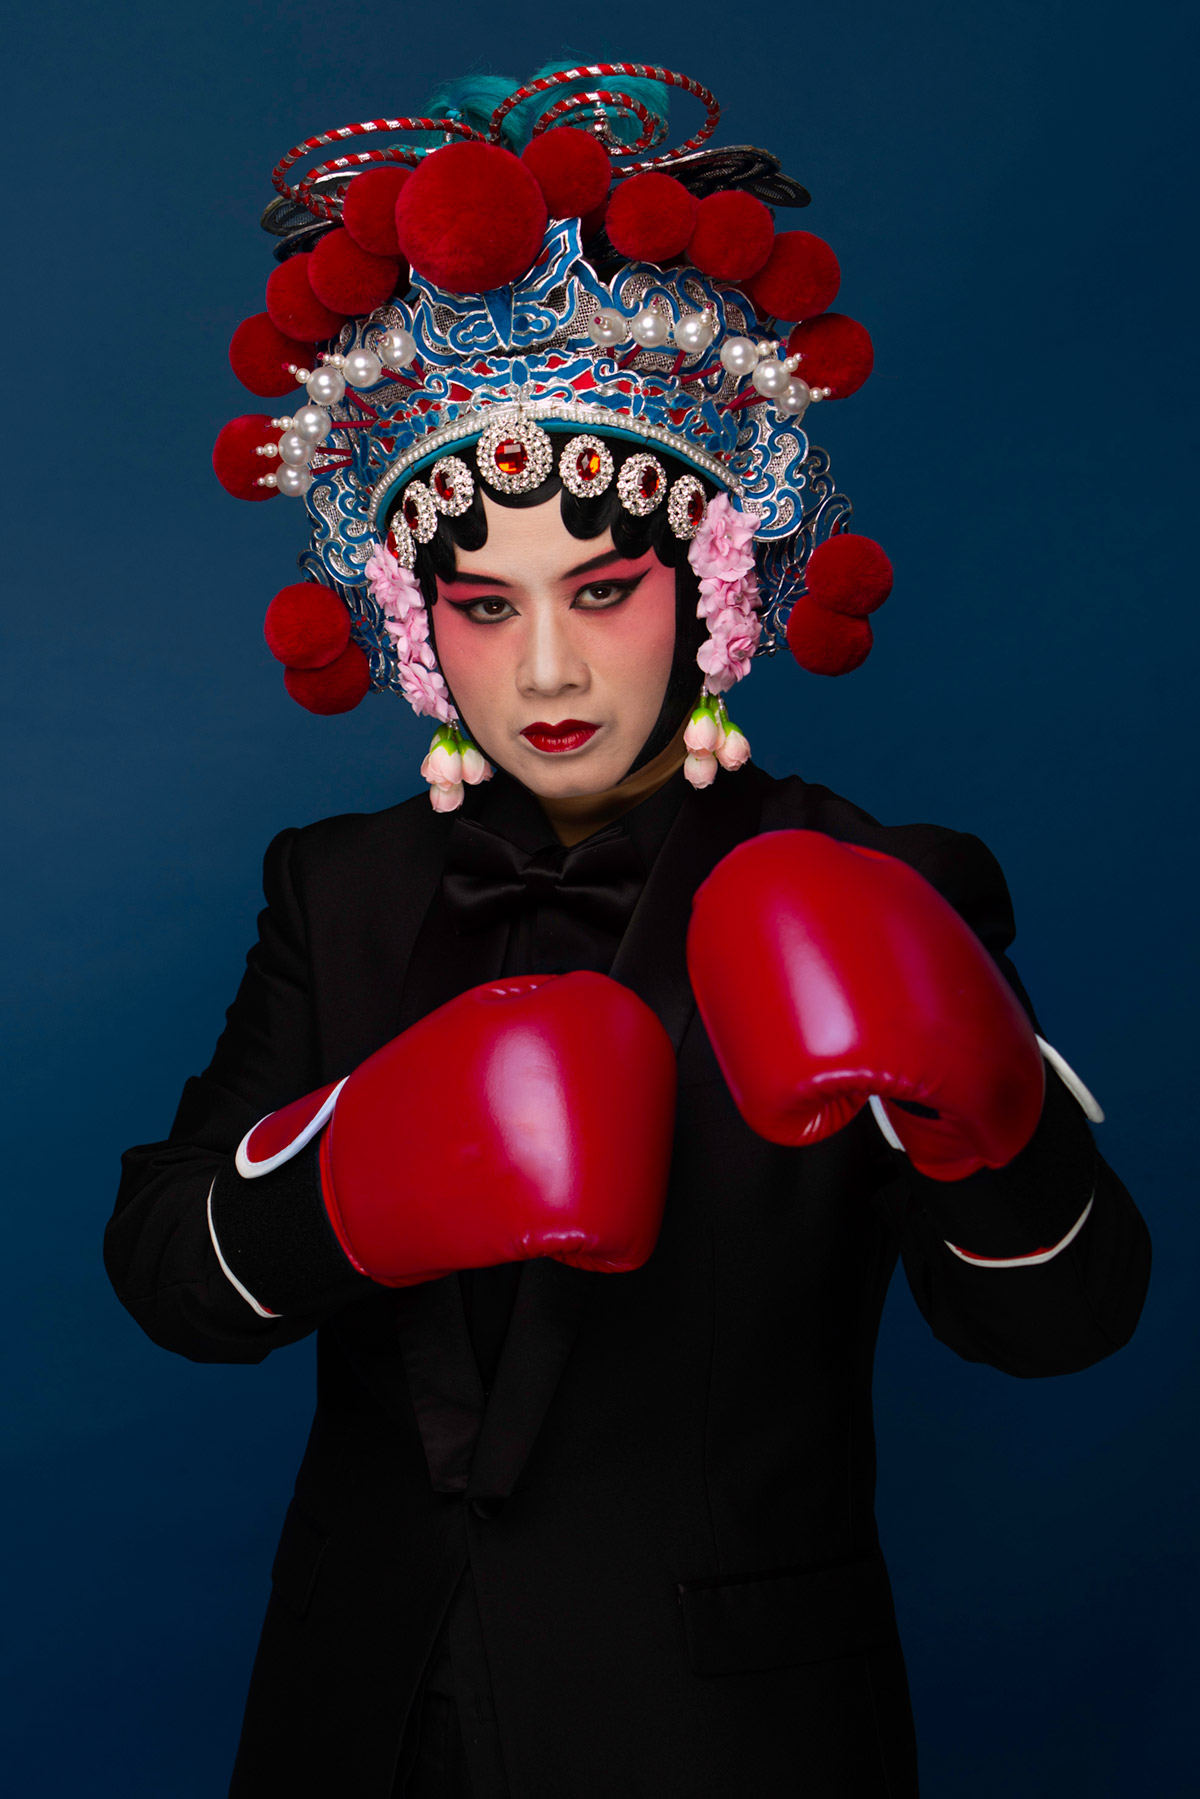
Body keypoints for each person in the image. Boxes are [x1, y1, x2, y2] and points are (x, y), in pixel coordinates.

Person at [105, 62, 1150, 1799]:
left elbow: (1061, 1324)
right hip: (363, 1718)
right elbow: (170, 1281)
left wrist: (1002, 1125)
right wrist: (353, 1170)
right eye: (485, 607)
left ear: (714, 581)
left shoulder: (874, 879)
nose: (552, 671)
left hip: (725, 1732)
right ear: (415, 625)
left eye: (602, 592)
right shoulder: (335, 890)